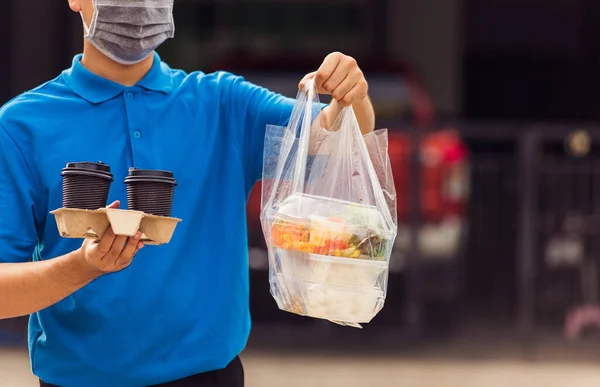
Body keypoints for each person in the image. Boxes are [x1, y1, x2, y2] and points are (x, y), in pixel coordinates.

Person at [0, 0, 375, 386]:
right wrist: (82, 267)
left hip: (208, 377)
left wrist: (353, 98)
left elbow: (336, 139)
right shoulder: (21, 126)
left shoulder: (223, 103)